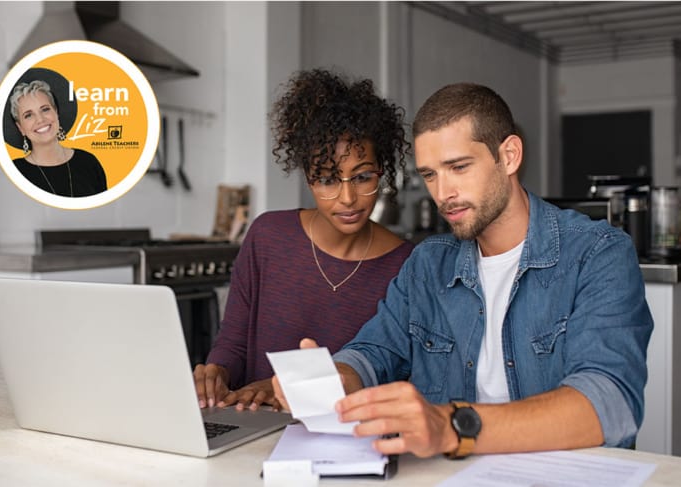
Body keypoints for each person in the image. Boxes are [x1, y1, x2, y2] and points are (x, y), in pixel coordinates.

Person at [274, 82, 653, 458]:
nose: (442, 193)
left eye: (458, 167)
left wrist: (454, 427)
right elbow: (374, 350)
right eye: (430, 174)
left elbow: (610, 403)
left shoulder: (597, 253)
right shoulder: (427, 264)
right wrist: (336, 378)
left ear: (509, 156)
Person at [194, 69, 415, 411]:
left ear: (381, 173)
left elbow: (392, 372)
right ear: (308, 179)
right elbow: (234, 342)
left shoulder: (406, 265)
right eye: (327, 179)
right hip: (251, 427)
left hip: (343, 439)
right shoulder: (268, 236)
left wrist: (283, 387)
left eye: (362, 177)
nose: (347, 198)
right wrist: (216, 373)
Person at [6, 69, 107, 197]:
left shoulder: (88, 162)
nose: (40, 119)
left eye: (45, 109)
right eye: (29, 115)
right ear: (20, 128)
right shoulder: (13, 172)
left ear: (56, 113)